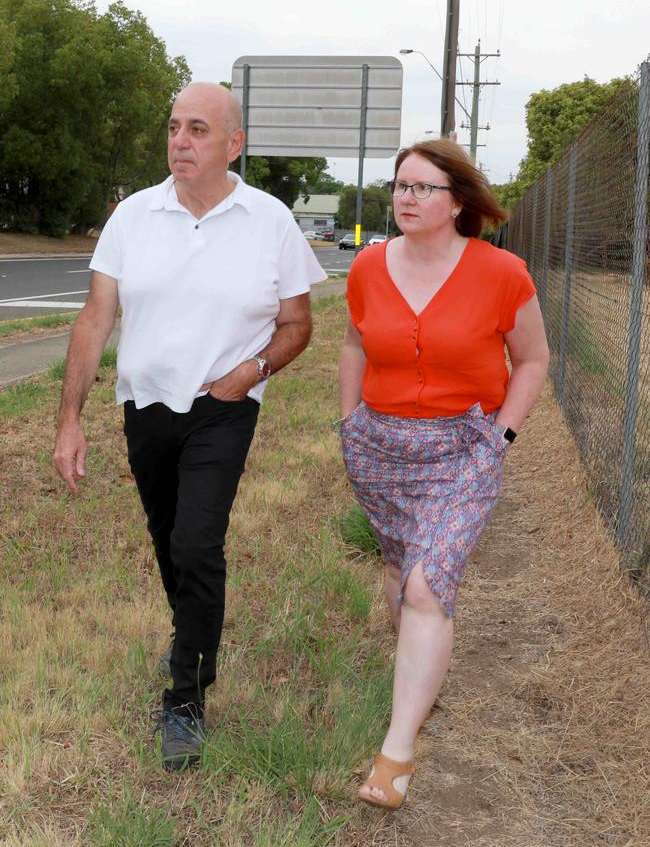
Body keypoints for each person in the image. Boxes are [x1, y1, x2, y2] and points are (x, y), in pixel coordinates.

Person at [54, 82, 326, 770]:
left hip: (224, 404)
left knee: (198, 542)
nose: (181, 140)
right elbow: (95, 319)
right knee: (171, 542)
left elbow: (299, 325)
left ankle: (185, 698)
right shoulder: (133, 217)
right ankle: (192, 634)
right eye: (175, 127)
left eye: (198, 129)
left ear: (234, 143)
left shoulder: (269, 222)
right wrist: (70, 421)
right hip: (144, 403)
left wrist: (253, 370)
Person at [338, 139, 549, 809]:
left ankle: (396, 753)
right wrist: (348, 424)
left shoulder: (504, 273)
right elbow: (352, 343)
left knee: (428, 582)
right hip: (378, 446)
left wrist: (500, 438)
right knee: (406, 577)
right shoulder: (369, 266)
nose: (406, 197)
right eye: (400, 185)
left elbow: (535, 359)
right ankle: (421, 676)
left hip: (463, 449)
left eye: (423, 187)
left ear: (457, 200)